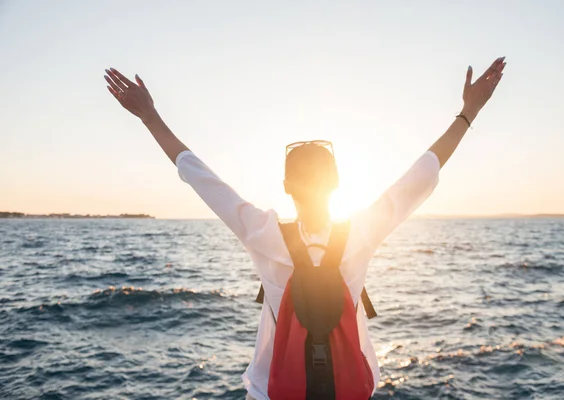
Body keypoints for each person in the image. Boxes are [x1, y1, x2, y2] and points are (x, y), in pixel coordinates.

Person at [104, 56, 506, 400]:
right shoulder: (361, 232)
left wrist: (150, 116)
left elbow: (199, 175)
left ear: (285, 187)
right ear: (336, 183)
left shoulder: (262, 233)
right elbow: (421, 174)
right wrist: (469, 112)